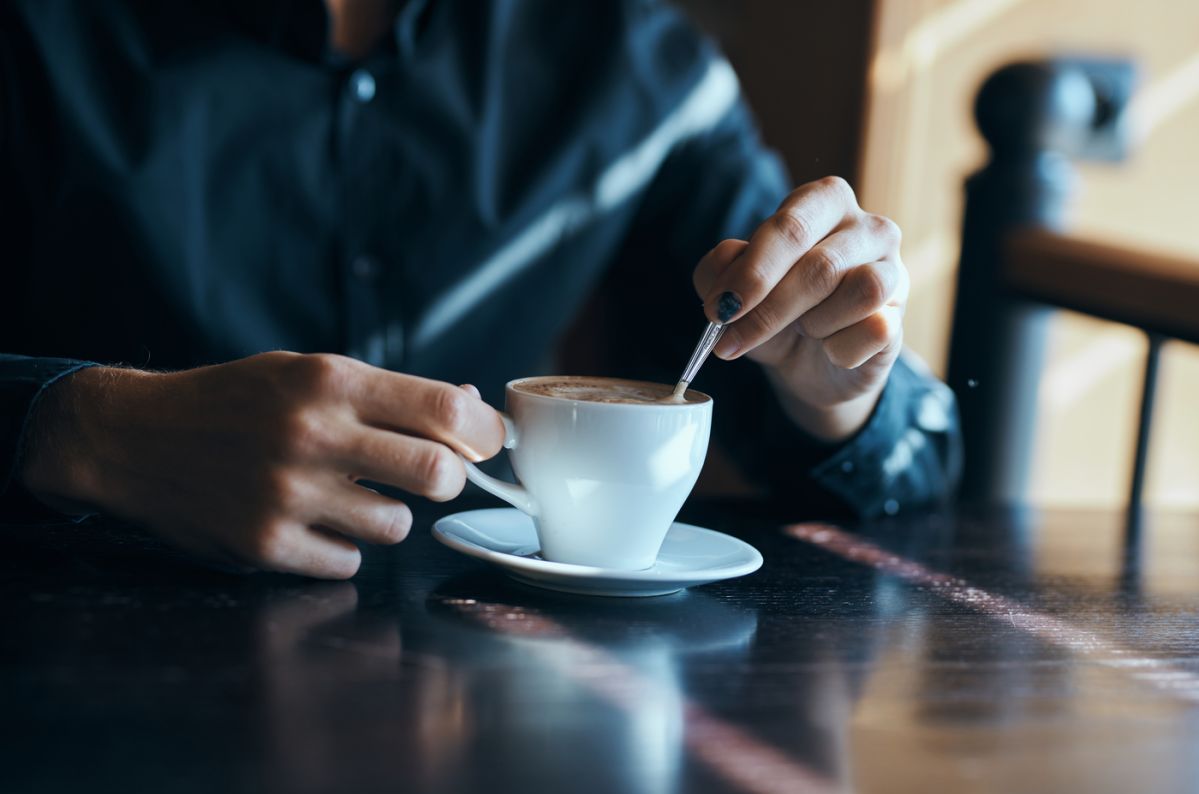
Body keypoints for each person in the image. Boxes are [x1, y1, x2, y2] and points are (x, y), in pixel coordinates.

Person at [0, 0, 961, 579]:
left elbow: (916, 447)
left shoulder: (632, 65)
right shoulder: (38, 34)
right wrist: (84, 430)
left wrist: (839, 394)